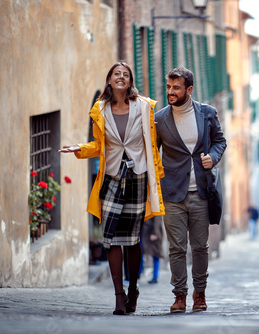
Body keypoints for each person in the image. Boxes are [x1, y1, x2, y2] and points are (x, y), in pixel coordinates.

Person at [59, 62, 165, 315]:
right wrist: (79, 149)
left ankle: (133, 288)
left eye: (125, 74)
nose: (120, 77)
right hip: (111, 177)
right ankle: (119, 295)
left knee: (132, 238)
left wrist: (159, 173)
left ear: (130, 81)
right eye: (116, 73)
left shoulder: (144, 106)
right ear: (109, 79)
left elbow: (152, 141)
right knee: (110, 238)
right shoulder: (100, 109)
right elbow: (99, 145)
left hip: (138, 176)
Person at [155, 67, 226, 313]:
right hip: (172, 193)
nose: (171, 92)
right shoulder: (160, 118)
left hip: (201, 193)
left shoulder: (208, 113)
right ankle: (179, 295)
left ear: (189, 89)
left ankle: (200, 292)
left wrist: (213, 158)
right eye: (168, 87)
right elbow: (153, 152)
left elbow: (220, 141)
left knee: (200, 247)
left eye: (176, 87)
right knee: (176, 248)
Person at [142, 216, 164, 284]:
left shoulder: (156, 205)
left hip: (153, 233)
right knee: (141, 253)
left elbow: (157, 218)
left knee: (156, 254)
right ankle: (139, 274)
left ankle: (155, 277)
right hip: (146, 232)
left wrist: (155, 233)